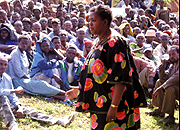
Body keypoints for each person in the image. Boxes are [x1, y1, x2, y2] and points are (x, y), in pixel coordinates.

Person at [75, 5, 147, 130]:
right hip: (100, 104)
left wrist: (114, 107)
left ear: (105, 22)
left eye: (93, 20)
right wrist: (77, 90)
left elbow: (121, 77)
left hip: (115, 106)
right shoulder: (98, 42)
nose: (90, 24)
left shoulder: (115, 42)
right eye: (89, 21)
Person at [0, 52, 74, 129]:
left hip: (6, 106)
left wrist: (19, 107)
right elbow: (1, 92)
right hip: (2, 103)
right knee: (3, 98)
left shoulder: (7, 78)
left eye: (5, 65)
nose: (3, 67)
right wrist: (15, 90)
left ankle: (58, 121)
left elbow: (12, 97)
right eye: (0, 64)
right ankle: (12, 125)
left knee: (28, 110)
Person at [6, 35, 74, 106]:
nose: (24, 45)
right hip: (16, 80)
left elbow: (60, 59)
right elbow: (18, 72)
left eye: (26, 43)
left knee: (42, 85)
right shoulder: (15, 53)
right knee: (41, 84)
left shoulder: (24, 53)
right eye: (22, 43)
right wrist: (29, 79)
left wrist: (53, 49)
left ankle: (63, 96)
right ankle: (65, 93)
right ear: (18, 43)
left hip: (24, 79)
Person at [146, 45, 179, 124]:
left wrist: (160, 88)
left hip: (176, 89)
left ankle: (170, 116)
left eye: (173, 54)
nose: (171, 57)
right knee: (159, 81)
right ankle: (160, 109)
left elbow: (175, 77)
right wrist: (162, 65)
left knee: (170, 88)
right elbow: (163, 78)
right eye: (170, 55)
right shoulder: (172, 65)